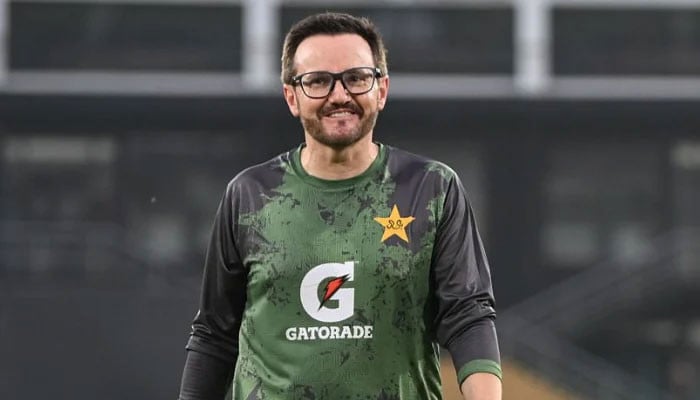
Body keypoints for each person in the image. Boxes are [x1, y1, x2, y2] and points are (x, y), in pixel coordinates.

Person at [178, 12, 502, 400]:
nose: (339, 95)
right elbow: (214, 335)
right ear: (291, 97)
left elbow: (468, 315)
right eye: (318, 81)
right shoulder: (249, 195)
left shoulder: (432, 188)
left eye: (356, 78)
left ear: (381, 89)